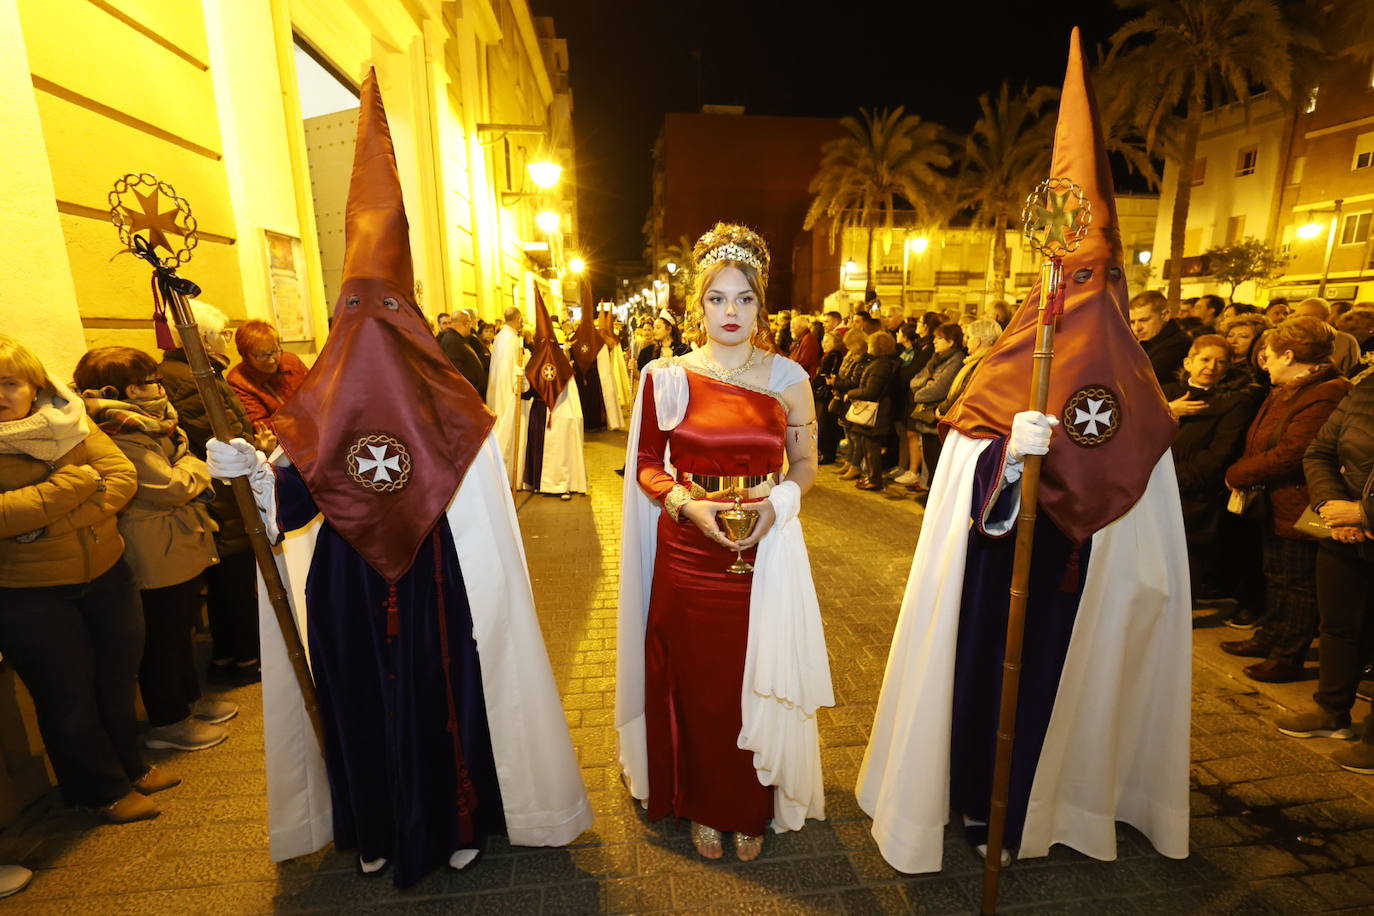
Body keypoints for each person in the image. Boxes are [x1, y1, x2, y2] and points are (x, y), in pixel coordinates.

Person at [206, 70, 591, 888]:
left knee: (439, 703)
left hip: (434, 584)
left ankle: (456, 819)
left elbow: (479, 499)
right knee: (355, 705)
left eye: (386, 310)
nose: (369, 330)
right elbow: (291, 504)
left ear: (408, 318)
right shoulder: (316, 406)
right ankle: (371, 825)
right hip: (348, 585)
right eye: (355, 311)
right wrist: (252, 476)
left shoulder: (449, 400)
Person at [858, 31, 1190, 873]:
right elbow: (957, 469)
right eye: (1068, 275)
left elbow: (1149, 493)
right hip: (994, 569)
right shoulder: (1010, 358)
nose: (1080, 291)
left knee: (1070, 684)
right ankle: (979, 800)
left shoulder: (1136, 381)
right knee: (983, 682)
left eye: (1096, 275)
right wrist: (1006, 456)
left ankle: (1063, 801)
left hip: (1086, 577)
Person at [618, 222, 831, 863]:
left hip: (765, 547)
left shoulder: (790, 375)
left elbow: (806, 464)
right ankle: (703, 803)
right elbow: (649, 464)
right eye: (717, 298)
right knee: (697, 680)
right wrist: (686, 506)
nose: (731, 312)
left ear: (761, 306)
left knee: (753, 678)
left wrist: (779, 508)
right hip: (688, 549)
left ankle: (749, 808)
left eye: (743, 298)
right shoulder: (667, 376)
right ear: (697, 305)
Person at [0, 335, 177, 824]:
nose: (0, 394)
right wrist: (76, 485)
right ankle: (98, 791)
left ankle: (131, 766)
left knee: (116, 680)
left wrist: (39, 525)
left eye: (8, 382)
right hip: (28, 594)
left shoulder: (69, 418)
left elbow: (120, 477)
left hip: (106, 572)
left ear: (33, 386)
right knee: (66, 695)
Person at [74, 347, 236, 752]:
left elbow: (180, 469)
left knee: (178, 629)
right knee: (162, 638)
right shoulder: (118, 433)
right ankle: (169, 720)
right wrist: (198, 468)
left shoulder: (152, 426)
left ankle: (188, 701)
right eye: (150, 382)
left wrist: (188, 466)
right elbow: (170, 487)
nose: (159, 388)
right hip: (152, 549)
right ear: (122, 390)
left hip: (172, 541)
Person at [1221, 317, 1352, 682]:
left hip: (1302, 501)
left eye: (1271, 356)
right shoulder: (1292, 387)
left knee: (1297, 584)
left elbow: (1294, 452)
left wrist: (1239, 473)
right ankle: (1270, 635)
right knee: (1276, 574)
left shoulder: (1325, 393)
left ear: (1290, 356)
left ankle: (1286, 655)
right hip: (1278, 500)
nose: (1266, 364)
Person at [1274, 375, 1374, 774]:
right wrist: (1332, 505)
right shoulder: (1366, 388)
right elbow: (1319, 451)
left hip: (1359, 518)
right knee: (1337, 625)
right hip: (1341, 530)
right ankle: (1331, 710)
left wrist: (1365, 514)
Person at [161, 300, 261, 686]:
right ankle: (238, 658)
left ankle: (234, 655)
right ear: (200, 337)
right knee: (232, 579)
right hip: (221, 490)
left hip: (225, 488)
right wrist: (249, 446)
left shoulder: (198, 373)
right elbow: (217, 434)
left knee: (232, 578)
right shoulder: (189, 378)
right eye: (221, 334)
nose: (225, 341)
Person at [1161, 335, 1262, 602]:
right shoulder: (1166, 393)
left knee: (1188, 557)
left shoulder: (1233, 402)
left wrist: (1170, 478)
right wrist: (1167, 411)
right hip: (1154, 487)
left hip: (1195, 494)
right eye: (1205, 359)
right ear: (1189, 362)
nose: (1212, 367)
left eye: (1221, 362)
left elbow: (1218, 453)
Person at [518, 292, 587, 499]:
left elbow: (567, 391)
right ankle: (539, 482)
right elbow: (527, 392)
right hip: (540, 412)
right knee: (540, 448)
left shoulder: (562, 365)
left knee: (558, 451)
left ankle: (560, 484)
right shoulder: (533, 362)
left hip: (558, 414)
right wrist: (520, 380)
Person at [906, 323, 968, 486]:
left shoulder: (955, 361)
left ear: (951, 342)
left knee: (935, 462)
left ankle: (931, 495)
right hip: (925, 416)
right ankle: (927, 489)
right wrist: (927, 382)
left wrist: (919, 393)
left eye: (939, 338)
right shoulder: (935, 359)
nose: (934, 341)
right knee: (928, 458)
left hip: (936, 419)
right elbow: (915, 381)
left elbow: (939, 389)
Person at [226, 319, 309, 435]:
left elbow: (315, 393)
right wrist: (306, 419)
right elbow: (262, 427)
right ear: (246, 356)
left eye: (274, 351)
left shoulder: (291, 360)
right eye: (262, 355)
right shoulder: (238, 381)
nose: (271, 360)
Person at [844, 331, 901, 492]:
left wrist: (851, 393)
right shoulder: (880, 363)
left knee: (872, 447)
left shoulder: (881, 365)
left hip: (877, 412)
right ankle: (870, 476)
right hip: (877, 410)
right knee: (867, 445)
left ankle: (875, 479)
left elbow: (871, 391)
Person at [486, 306, 526, 485]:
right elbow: (514, 367)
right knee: (507, 430)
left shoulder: (501, 336)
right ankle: (508, 475)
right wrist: (520, 385)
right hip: (508, 392)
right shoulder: (511, 339)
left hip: (498, 389)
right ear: (518, 319)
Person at [1129, 289, 1191, 387]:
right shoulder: (1143, 342)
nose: (1137, 328)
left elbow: (1139, 381)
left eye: (1144, 320)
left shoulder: (1178, 345)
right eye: (1132, 322)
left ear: (1165, 315)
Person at [832, 328, 871, 480]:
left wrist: (837, 382)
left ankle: (854, 465)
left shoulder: (862, 360)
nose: (847, 348)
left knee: (855, 436)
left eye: (850, 345)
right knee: (849, 433)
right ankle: (849, 461)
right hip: (845, 398)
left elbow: (854, 381)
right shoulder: (852, 357)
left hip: (854, 399)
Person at [1293, 298, 1362, 377]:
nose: (1301, 320)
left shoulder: (1345, 341)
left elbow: (1352, 373)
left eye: (1307, 316)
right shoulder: (1290, 339)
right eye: (1297, 316)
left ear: (1326, 317)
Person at [438, 309, 489, 398]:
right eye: (470, 322)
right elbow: (457, 371)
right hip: (467, 395)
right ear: (466, 323)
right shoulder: (452, 341)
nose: (471, 326)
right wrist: (475, 386)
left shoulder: (459, 338)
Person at [814, 331, 844, 465]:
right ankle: (826, 452)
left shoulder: (832, 356)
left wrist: (816, 382)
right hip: (826, 394)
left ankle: (827, 453)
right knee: (825, 424)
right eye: (823, 341)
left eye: (827, 342)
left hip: (826, 395)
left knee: (825, 424)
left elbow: (824, 376)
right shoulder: (830, 355)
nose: (823, 344)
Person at [1219, 312, 1271, 379]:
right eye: (1230, 336)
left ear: (1257, 341)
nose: (1233, 341)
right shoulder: (1219, 362)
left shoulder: (1257, 370)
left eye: (1243, 337)